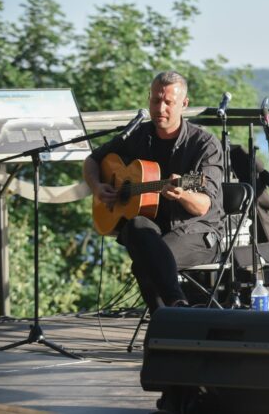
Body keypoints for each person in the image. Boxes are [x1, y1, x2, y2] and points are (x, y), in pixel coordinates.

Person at [83, 71, 224, 312]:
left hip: (198, 231)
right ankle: (175, 313)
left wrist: (183, 193)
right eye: (155, 101)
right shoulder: (139, 135)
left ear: (184, 104)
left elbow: (203, 205)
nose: (160, 108)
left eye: (168, 102)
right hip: (153, 229)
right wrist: (97, 187)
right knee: (136, 227)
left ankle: (170, 312)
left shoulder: (204, 144)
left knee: (146, 262)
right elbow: (92, 160)